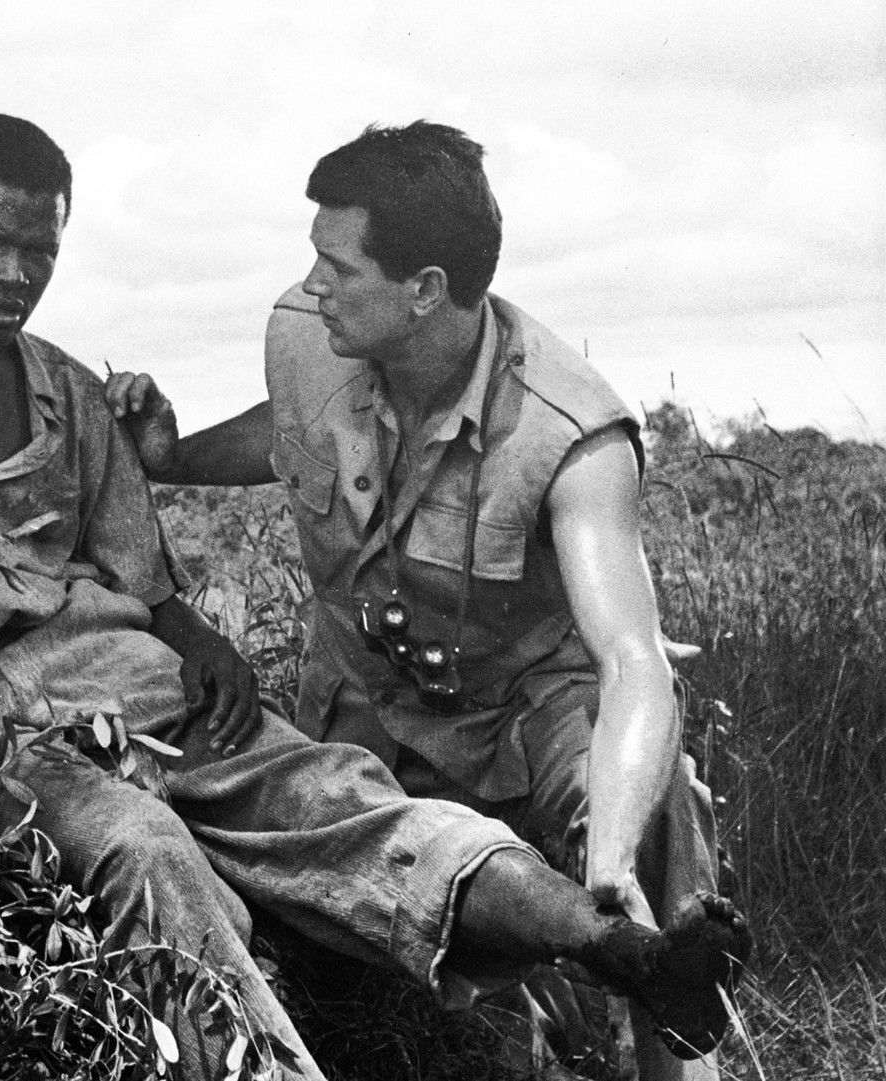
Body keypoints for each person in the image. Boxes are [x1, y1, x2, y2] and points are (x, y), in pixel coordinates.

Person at [0, 113, 747, 1081]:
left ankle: (613, 942)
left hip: (136, 682)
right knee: (142, 844)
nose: (14, 274)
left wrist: (204, 644)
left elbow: (151, 590)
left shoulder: (70, 392)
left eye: (40, 250)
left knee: (335, 793)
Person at [105, 120, 742, 1078]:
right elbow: (295, 427)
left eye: (339, 266)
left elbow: (633, 661)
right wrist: (174, 457)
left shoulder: (572, 432)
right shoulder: (308, 332)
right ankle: (529, 1019)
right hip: (367, 710)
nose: (313, 283)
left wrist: (608, 855)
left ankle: (671, 1039)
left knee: (652, 829)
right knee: (341, 949)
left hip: (525, 713)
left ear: (425, 290)